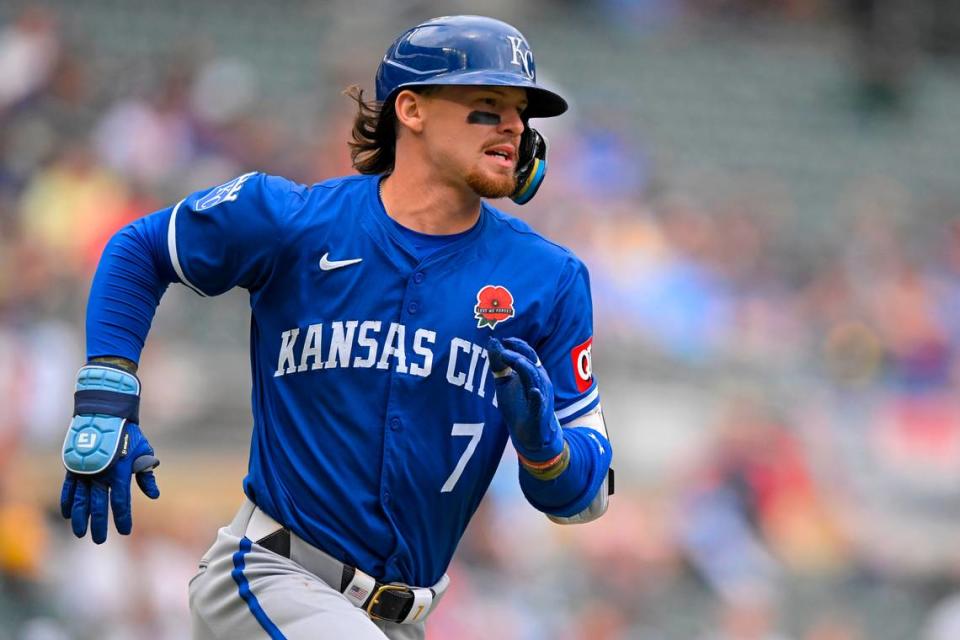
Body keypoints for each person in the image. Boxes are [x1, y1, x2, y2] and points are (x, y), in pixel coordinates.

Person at [59, 15, 613, 640]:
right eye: (487, 105)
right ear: (412, 109)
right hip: (270, 575)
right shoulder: (294, 221)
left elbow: (582, 500)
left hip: (400, 620)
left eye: (520, 111)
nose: (514, 125)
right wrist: (106, 395)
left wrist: (545, 453)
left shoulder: (551, 279)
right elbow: (140, 249)